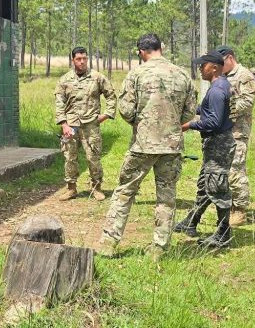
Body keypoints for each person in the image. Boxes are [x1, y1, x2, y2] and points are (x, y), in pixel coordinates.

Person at [97, 33, 196, 261]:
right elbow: (189, 113)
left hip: (143, 144)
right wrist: (171, 124)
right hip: (171, 146)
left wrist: (139, 124)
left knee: (124, 192)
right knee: (166, 197)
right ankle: (159, 249)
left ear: (141, 52)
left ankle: (109, 244)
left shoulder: (137, 74)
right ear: (161, 48)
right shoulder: (182, 75)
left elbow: (126, 109)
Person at [174, 52, 236, 248]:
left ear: (215, 67)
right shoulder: (219, 86)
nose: (200, 68)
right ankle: (191, 221)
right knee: (205, 184)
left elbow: (214, 121)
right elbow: (206, 110)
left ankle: (223, 233)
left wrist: (190, 125)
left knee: (217, 187)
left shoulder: (217, 90)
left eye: (204, 65)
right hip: (216, 144)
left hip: (219, 143)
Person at [54, 47, 116, 201]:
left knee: (93, 157)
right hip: (71, 125)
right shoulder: (64, 80)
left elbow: (111, 95)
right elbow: (59, 103)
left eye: (84, 58)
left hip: (91, 124)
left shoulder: (97, 77)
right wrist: (64, 124)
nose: (82, 62)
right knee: (70, 157)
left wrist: (107, 114)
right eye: (78, 59)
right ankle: (71, 189)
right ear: (73, 60)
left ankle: (96, 188)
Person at [214, 45, 255, 226]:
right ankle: (227, 205)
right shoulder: (223, 77)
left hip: (238, 132)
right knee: (221, 170)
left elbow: (247, 102)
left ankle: (239, 209)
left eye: (221, 62)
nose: (218, 66)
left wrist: (223, 109)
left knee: (236, 170)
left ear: (230, 58)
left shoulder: (244, 76)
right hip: (222, 131)